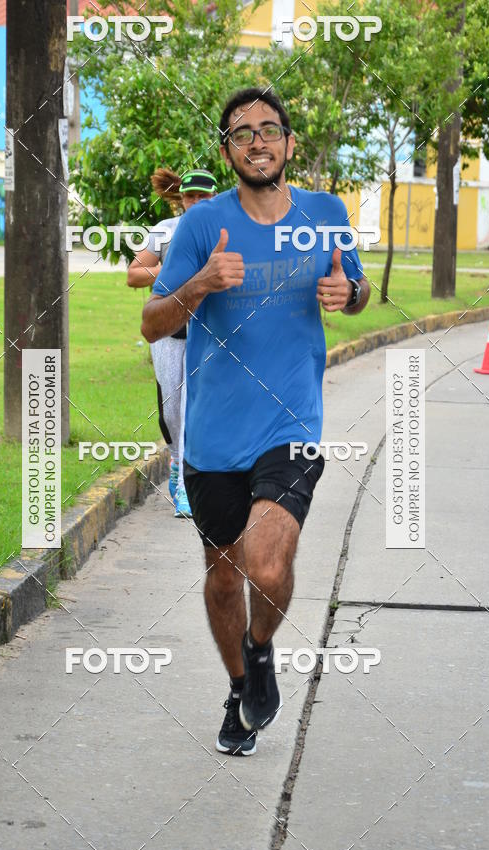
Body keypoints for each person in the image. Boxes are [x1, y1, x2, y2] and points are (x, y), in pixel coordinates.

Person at [141, 87, 370, 756]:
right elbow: (153, 321)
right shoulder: (199, 226)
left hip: (290, 424)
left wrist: (348, 294)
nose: (258, 141)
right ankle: (241, 685)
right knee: (222, 576)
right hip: (213, 434)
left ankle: (262, 649)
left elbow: (350, 288)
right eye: (243, 133)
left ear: (290, 143)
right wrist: (201, 284)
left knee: (266, 569)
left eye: (270, 129)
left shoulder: (325, 213)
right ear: (228, 150)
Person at [128, 168, 217, 516]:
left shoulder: (225, 232)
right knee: (171, 409)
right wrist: (168, 270)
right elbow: (134, 275)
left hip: (207, 331)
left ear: (213, 198)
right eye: (190, 197)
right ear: (182, 199)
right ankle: (177, 464)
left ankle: (185, 487)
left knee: (193, 406)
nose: (196, 203)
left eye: (203, 197)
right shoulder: (165, 232)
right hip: (168, 331)